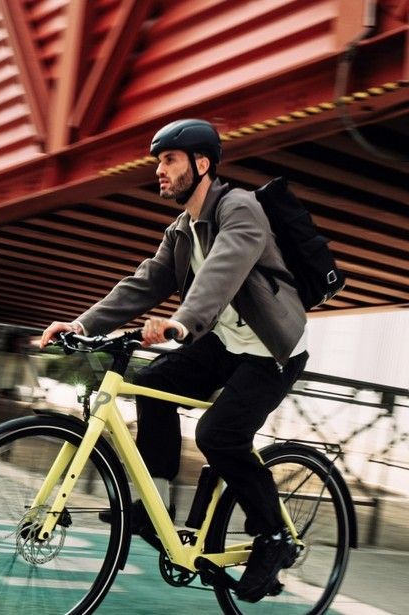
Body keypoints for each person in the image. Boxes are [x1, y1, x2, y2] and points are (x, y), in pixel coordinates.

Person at [38, 118, 309, 602]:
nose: (159, 170)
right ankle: (153, 505)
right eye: (158, 161)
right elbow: (143, 283)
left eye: (169, 160)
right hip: (225, 343)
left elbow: (223, 271)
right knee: (152, 386)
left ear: (202, 164)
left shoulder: (240, 209)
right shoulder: (182, 230)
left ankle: (272, 537)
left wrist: (182, 322)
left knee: (218, 435)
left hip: (271, 350)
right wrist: (81, 325)